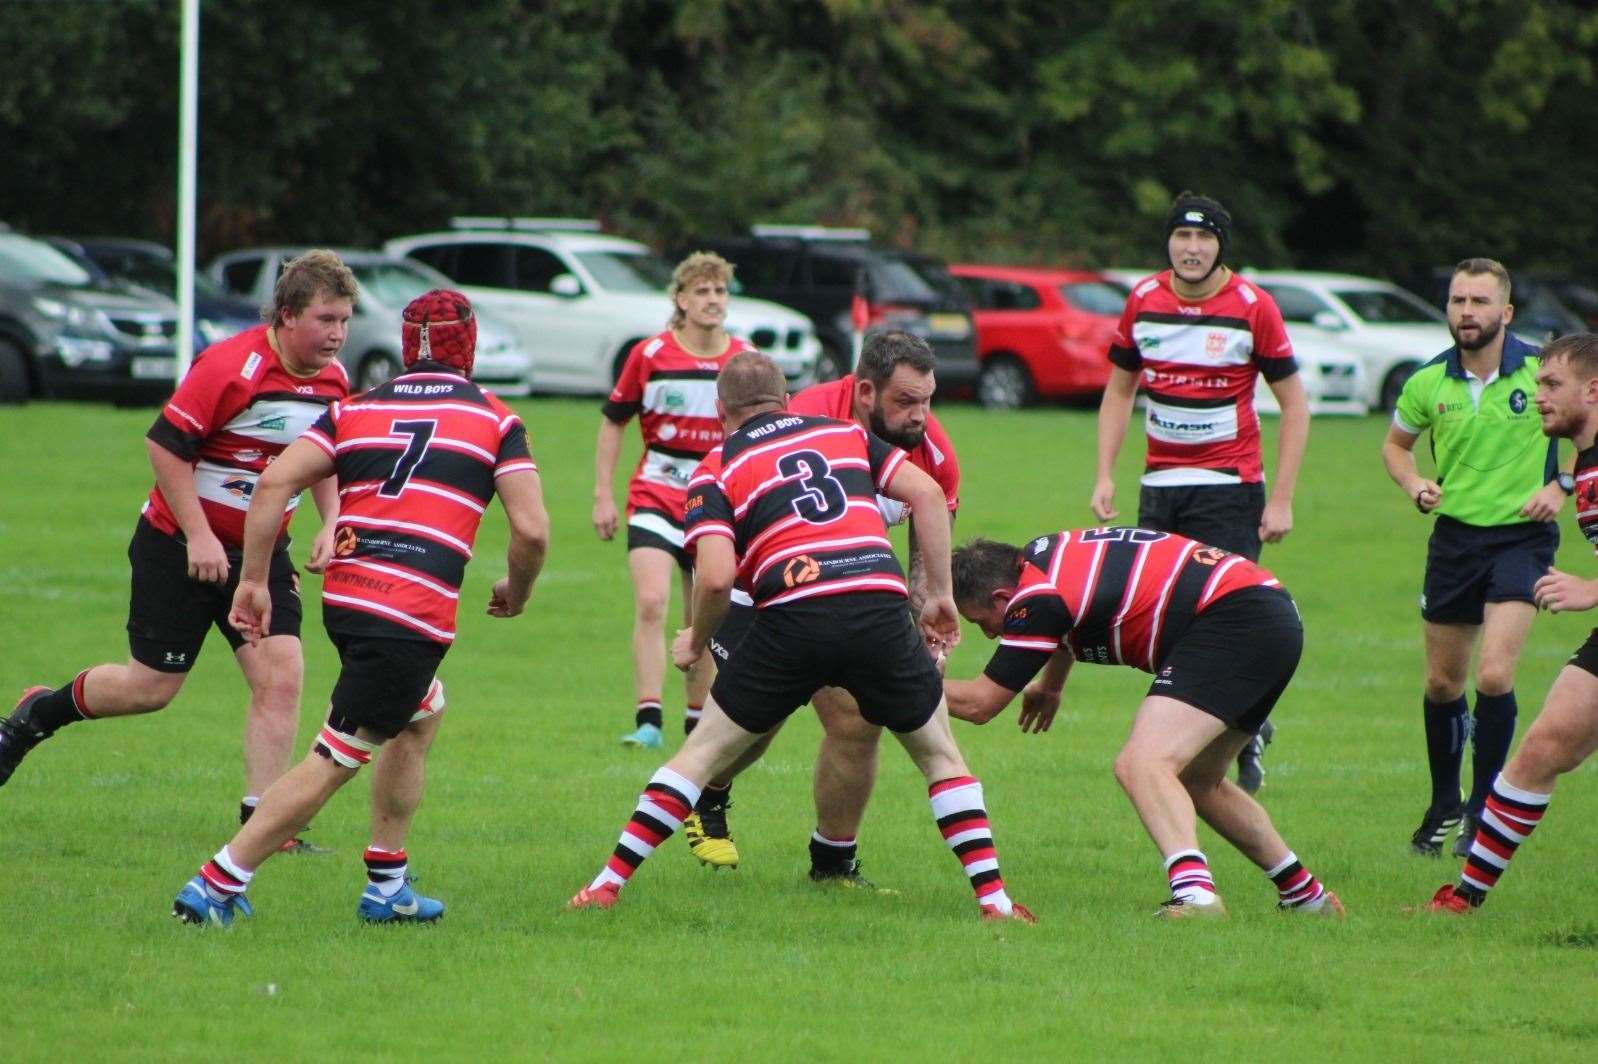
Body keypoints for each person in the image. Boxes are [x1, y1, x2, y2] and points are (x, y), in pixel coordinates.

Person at [570, 352, 1032, 923]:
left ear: (721, 412)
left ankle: (606, 885)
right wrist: (937, 593)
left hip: (791, 615)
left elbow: (714, 577)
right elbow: (929, 495)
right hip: (876, 606)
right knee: (940, 755)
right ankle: (995, 901)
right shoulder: (845, 435)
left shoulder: (714, 467)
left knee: (704, 751)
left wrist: (695, 642)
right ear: (786, 401)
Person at [169, 289, 549, 926]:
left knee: (422, 713)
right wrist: (519, 588)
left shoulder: (354, 409)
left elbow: (275, 482)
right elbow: (533, 531)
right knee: (336, 756)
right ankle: (216, 884)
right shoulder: (494, 419)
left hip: (347, 599)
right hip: (409, 613)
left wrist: (254, 580)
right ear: (472, 346)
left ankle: (386, 883)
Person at [1, 249, 354, 852]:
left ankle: (263, 822)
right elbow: (165, 447)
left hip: (260, 553)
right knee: (151, 688)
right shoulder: (230, 367)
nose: (338, 335)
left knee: (281, 675)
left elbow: (318, 455)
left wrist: (332, 518)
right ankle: (37, 713)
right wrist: (199, 535)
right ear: (288, 315)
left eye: (345, 320)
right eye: (327, 320)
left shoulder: (332, 380)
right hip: (177, 543)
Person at [679, 330, 961, 886]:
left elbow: (928, 535)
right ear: (863, 391)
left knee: (858, 720)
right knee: (757, 726)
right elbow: (720, 517)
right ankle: (705, 790)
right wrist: (701, 626)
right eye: (905, 402)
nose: (919, 416)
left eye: (928, 400)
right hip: (759, 587)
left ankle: (832, 863)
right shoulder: (803, 417)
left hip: (851, 593)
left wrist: (928, 620)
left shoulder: (932, 453)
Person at [944, 529, 1342, 918]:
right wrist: (1050, 686)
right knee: (1197, 779)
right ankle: (1306, 896)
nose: (992, 634)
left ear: (1001, 596)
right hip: (1269, 613)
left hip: (1232, 619)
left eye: (983, 621)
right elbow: (1070, 612)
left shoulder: (1035, 601)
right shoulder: (1043, 557)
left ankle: (1196, 895)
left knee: (1143, 764)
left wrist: (896, 685)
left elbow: (982, 704)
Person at [1090, 191, 1308, 794]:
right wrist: (1106, 472)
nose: (1192, 248)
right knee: (1168, 621)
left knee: (1225, 615)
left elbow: (1294, 404)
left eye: (1205, 238)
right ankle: (1231, 732)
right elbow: (1119, 390)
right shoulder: (1143, 299)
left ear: (1220, 247)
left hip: (1230, 487)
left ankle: (1236, 731)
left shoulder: (1251, 306)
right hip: (1161, 486)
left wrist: (1281, 497)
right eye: (1182, 237)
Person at [1382, 258, 1566, 857]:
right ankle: (1445, 802)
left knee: (1494, 676)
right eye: (1458, 301)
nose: (1466, 312)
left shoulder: (1544, 370)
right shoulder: (1428, 382)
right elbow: (1396, 446)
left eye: (1480, 302)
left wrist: (1561, 485)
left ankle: (1485, 805)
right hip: (1455, 541)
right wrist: (1414, 486)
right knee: (1442, 683)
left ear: (1506, 313)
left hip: (1522, 539)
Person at [1425, 331, 1598, 913]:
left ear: (1593, 390)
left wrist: (1591, 589)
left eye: (1552, 384)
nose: (1539, 396)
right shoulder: (1586, 467)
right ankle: (1463, 899)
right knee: (1541, 749)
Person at [594, 252, 758, 749]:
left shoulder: (743, 359)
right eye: (703, 291)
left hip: (714, 503)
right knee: (650, 601)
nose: (713, 300)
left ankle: (695, 722)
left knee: (702, 616)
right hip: (656, 494)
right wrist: (603, 493)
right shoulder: (650, 355)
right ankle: (647, 720)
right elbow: (613, 421)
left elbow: (760, 435)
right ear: (681, 300)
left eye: (720, 291)